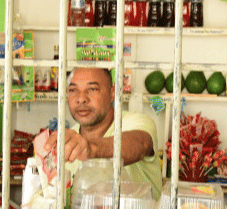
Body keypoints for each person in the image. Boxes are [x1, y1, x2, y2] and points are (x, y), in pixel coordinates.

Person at [42, 67, 162, 197]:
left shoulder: (137, 122)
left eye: (92, 89)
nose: (81, 98)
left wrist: (90, 148)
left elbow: (141, 143)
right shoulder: (69, 141)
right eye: (73, 90)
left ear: (112, 93)